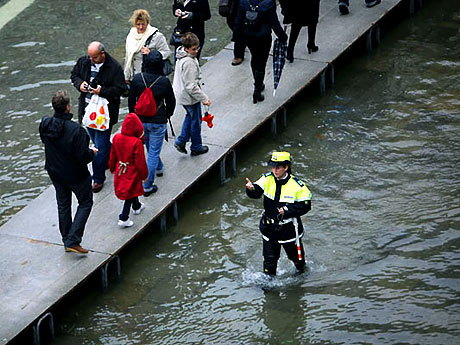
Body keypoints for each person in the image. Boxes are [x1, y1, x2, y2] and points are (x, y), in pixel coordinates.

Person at [39, 90, 97, 254]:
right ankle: (73, 239)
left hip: (55, 172)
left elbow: (45, 140)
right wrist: (92, 152)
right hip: (76, 175)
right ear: (68, 107)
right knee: (85, 203)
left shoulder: (45, 123)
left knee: (63, 204)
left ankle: (67, 239)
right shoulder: (76, 131)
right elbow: (82, 157)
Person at [71, 41, 126, 193]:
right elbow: (74, 75)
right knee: (98, 142)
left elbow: (121, 89)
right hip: (88, 111)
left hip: (104, 114)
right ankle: (113, 157)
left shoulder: (114, 67)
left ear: (102, 54)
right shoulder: (84, 61)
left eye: (94, 57)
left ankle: (98, 178)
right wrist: (80, 84)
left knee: (98, 146)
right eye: (90, 57)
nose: (91, 60)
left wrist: (102, 91)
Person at [245, 152, 312, 276]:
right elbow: (256, 192)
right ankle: (268, 290)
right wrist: (251, 189)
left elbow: (306, 206)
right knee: (269, 262)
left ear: (286, 167)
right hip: (269, 228)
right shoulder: (267, 179)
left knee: (298, 260)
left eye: (278, 167)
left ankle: (302, 279)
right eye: (273, 167)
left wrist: (287, 210)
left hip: (289, 230)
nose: (274, 170)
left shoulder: (297, 186)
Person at [128, 51, 176, 196]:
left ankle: (159, 168)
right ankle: (147, 185)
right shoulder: (164, 81)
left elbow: (131, 101)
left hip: (141, 121)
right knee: (153, 152)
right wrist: (167, 115)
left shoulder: (137, 79)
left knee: (150, 148)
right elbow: (171, 102)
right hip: (158, 121)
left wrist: (134, 117)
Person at [233, 0, 288, 104]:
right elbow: (274, 23)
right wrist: (282, 36)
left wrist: (236, 37)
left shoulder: (243, 2)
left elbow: (238, 21)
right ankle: (257, 90)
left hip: (248, 36)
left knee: (254, 58)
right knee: (262, 62)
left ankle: (257, 84)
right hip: (264, 37)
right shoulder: (268, 3)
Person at [173, 32, 211, 156]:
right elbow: (191, 87)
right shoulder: (189, 63)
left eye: (197, 48)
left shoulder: (180, 56)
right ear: (186, 48)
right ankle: (196, 146)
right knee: (196, 121)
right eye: (193, 49)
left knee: (190, 117)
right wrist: (204, 98)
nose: (196, 51)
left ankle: (182, 141)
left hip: (181, 93)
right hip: (189, 97)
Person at [108, 113, 148, 228]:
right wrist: (144, 175)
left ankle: (137, 206)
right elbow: (140, 162)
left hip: (120, 169)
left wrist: (111, 167)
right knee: (130, 192)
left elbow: (113, 155)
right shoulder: (136, 142)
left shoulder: (116, 137)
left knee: (130, 189)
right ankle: (124, 217)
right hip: (132, 170)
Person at [124, 9, 171, 83]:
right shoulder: (131, 36)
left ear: (147, 23)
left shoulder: (157, 36)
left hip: (151, 78)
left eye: (143, 24)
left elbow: (167, 52)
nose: (141, 27)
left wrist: (151, 53)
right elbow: (128, 57)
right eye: (138, 24)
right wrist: (126, 76)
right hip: (136, 77)